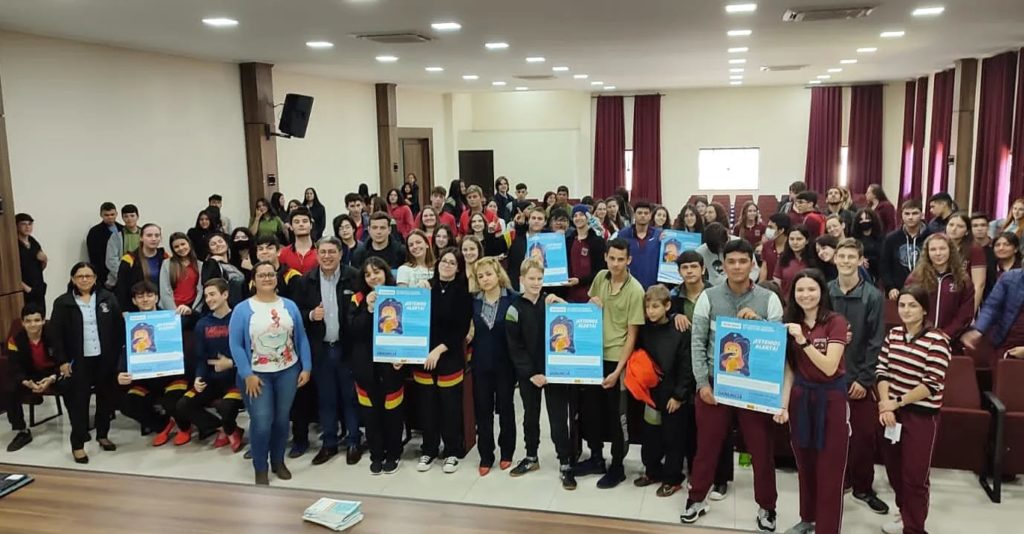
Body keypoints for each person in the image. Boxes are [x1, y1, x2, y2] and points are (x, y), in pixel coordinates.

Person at [681, 239, 783, 532]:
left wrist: (760, 323)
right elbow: (697, 343)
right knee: (707, 446)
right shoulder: (708, 297)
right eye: (731, 261)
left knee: (761, 450)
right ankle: (697, 498)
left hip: (755, 386)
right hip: (716, 385)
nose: (737, 267)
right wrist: (702, 384)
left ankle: (767, 507)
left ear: (752, 264)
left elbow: (777, 347)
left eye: (743, 261)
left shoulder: (769, 299)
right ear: (723, 265)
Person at [778, 269, 851, 534]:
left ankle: (828, 528)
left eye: (811, 289)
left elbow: (830, 366)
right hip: (801, 398)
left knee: (830, 469)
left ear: (822, 292)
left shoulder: (835, 321)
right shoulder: (790, 322)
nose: (805, 295)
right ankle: (807, 518)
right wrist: (783, 405)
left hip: (831, 399)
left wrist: (803, 340)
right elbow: (790, 369)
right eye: (800, 290)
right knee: (805, 464)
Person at [229, 261, 313, 485]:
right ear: (253, 280)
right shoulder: (242, 309)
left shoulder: (290, 306)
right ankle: (260, 467)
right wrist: (247, 374)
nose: (267, 278)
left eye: (270, 274)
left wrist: (306, 366)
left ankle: (278, 461)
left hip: (288, 371)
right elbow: (236, 345)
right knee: (262, 421)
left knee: (282, 419)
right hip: (257, 375)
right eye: (261, 275)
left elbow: (301, 338)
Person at [876, 285, 952, 534]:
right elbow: (882, 371)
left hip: (921, 416)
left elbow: (931, 384)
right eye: (902, 305)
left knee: (915, 476)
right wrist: (886, 406)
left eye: (913, 305)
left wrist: (896, 402)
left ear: (924, 309)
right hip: (892, 414)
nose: (906, 310)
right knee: (895, 471)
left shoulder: (938, 340)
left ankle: (915, 528)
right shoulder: (894, 334)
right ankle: (904, 513)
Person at [572, 239, 646, 489]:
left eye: (620, 259)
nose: (615, 264)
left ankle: (617, 466)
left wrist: (618, 371)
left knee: (618, 417)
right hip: (593, 356)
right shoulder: (600, 278)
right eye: (612, 258)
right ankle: (596, 457)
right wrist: (591, 305)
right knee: (591, 411)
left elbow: (632, 335)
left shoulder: (636, 290)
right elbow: (589, 314)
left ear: (629, 260)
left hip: (617, 359)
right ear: (605, 257)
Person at [829, 238, 890, 515]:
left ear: (860, 260)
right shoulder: (825, 291)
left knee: (864, 437)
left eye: (851, 257)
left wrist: (864, 380)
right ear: (835, 259)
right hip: (828, 378)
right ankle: (838, 481)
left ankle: (863, 487)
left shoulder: (873, 296)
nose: (845, 261)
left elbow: (876, 341)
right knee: (832, 436)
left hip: (859, 380)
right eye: (841, 256)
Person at [505, 257, 575, 488]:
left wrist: (562, 303)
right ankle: (531, 456)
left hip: (554, 372)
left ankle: (565, 462)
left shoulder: (551, 303)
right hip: (529, 375)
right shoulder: (514, 309)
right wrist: (531, 373)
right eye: (531, 279)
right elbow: (515, 347)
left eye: (540, 278)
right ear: (521, 279)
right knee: (530, 416)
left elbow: (570, 325)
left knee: (558, 419)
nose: (536, 283)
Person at [49, 262, 123, 463]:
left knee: (105, 399)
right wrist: (62, 361)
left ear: (95, 278)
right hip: (78, 361)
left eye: (88, 276)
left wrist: (118, 357)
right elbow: (56, 336)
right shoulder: (63, 303)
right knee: (79, 403)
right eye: (80, 276)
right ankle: (78, 444)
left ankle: (102, 434)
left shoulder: (108, 298)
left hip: (105, 359)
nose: (84, 279)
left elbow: (118, 328)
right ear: (73, 279)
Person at [299, 237, 362, 466]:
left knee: (350, 398)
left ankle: (354, 441)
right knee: (326, 399)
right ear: (316, 254)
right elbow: (296, 312)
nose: (327, 256)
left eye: (332, 252)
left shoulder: (354, 276)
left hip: (347, 349)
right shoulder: (306, 280)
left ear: (340, 254)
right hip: (321, 349)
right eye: (323, 252)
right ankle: (329, 443)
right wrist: (310, 315)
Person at [414, 248, 473, 474]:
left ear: (458, 268)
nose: (447, 265)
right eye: (444, 261)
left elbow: (460, 329)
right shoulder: (425, 287)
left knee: (450, 407)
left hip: (449, 357)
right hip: (423, 356)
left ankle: (451, 451)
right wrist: (417, 291)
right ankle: (429, 449)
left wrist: (439, 350)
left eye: (452, 263)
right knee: (427, 407)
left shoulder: (463, 292)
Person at [632, 285, 693, 497]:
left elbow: (686, 366)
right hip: (651, 394)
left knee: (673, 438)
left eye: (655, 306)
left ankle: (672, 479)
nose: (650, 311)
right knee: (651, 435)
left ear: (667, 306)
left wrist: (679, 395)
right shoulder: (645, 329)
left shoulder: (680, 330)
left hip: (673, 396)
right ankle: (652, 471)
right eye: (647, 307)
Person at [116, 281, 194, 446]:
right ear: (134, 300)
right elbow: (125, 349)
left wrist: (190, 312)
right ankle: (163, 425)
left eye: (149, 295)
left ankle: (184, 428)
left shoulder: (171, 318)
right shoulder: (128, 324)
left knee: (172, 401)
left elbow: (196, 323)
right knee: (127, 403)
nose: (145, 299)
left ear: (157, 298)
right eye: (140, 296)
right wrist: (120, 372)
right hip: (145, 379)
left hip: (173, 377)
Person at [347, 258, 406, 474]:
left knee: (393, 413)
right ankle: (376, 454)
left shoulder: (400, 295)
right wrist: (369, 309)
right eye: (368, 274)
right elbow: (353, 330)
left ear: (386, 273)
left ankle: (394, 453)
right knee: (370, 414)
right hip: (365, 366)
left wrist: (404, 356)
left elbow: (408, 328)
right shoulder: (357, 299)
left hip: (392, 365)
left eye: (377, 272)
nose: (373, 277)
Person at [176, 278, 244, 452]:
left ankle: (231, 428)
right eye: (206, 296)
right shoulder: (202, 324)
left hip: (236, 380)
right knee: (183, 405)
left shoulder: (240, 319)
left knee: (225, 407)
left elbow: (251, 352)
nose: (209, 299)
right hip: (211, 380)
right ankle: (224, 428)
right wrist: (199, 377)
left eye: (212, 294)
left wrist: (232, 363)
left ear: (225, 294)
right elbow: (201, 358)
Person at [468, 257, 519, 476]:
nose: (485, 279)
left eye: (489, 274)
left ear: (498, 274)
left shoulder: (514, 299)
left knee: (506, 408)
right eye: (480, 276)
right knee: (483, 410)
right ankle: (486, 455)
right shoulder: (473, 301)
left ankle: (507, 452)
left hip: (506, 365)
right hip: (481, 364)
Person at [5, 303, 70, 452]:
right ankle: (22, 431)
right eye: (28, 321)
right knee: (10, 389)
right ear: (23, 323)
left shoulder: (54, 335)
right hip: (30, 374)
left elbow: (63, 360)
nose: (32, 324)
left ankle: (78, 426)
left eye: (36, 320)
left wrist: (52, 378)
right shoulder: (15, 340)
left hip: (53, 372)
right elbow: (14, 365)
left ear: (43, 321)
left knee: (70, 384)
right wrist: (25, 381)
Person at [905, 234, 975, 340]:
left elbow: (965, 313)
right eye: (933, 249)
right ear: (927, 253)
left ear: (950, 251)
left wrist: (947, 334)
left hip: (951, 339)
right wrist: (920, 332)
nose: (938, 253)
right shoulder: (915, 278)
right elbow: (907, 307)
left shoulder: (963, 279)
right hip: (920, 337)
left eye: (942, 249)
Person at [881, 199, 931, 299]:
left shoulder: (931, 236)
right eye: (907, 214)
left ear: (922, 215)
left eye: (915, 213)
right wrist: (890, 287)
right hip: (897, 291)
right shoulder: (891, 238)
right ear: (902, 215)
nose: (910, 217)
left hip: (925, 290)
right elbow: (884, 266)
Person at [114, 223, 168, 312]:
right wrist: (123, 310)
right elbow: (121, 288)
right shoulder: (129, 259)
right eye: (149, 235)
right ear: (141, 238)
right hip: (135, 308)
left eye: (157, 235)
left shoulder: (165, 257)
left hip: (161, 307)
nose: (154, 239)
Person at [565, 204, 607, 303]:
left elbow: (601, 269)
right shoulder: (569, 240)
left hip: (592, 293)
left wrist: (580, 281)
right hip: (571, 293)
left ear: (588, 217)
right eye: (575, 216)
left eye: (581, 215)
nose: (578, 218)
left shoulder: (597, 241)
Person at [945, 212, 987, 310]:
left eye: (960, 226)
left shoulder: (975, 249)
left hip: (965, 299)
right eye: (951, 225)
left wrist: (971, 311)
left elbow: (979, 285)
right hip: (944, 298)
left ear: (967, 231)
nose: (954, 229)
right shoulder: (940, 246)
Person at [617, 201, 662, 289]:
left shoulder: (658, 235)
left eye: (646, 213)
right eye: (640, 213)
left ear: (650, 216)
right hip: (628, 286)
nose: (643, 215)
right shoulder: (623, 235)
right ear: (634, 215)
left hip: (652, 287)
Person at [158, 232, 203, 316]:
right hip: (172, 309)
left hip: (192, 309)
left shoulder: (199, 265)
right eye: (176, 247)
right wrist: (175, 313)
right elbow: (165, 291)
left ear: (189, 244)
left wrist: (193, 311)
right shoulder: (167, 264)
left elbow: (201, 290)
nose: (181, 248)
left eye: (183, 244)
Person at [507, 207, 549, 291]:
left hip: (542, 285)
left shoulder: (550, 239)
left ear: (545, 222)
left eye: (540, 219)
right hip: (519, 285)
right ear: (528, 220)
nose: (536, 221)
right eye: (533, 218)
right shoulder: (516, 236)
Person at [201, 232, 247, 306]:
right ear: (209, 249)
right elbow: (207, 282)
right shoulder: (210, 264)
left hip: (242, 304)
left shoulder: (234, 263)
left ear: (227, 244)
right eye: (213, 244)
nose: (218, 245)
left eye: (220, 241)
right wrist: (213, 261)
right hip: (225, 306)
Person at [773, 225, 817, 299]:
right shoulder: (783, 259)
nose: (795, 242)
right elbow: (777, 283)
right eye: (792, 239)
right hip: (787, 301)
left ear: (807, 241)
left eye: (799, 239)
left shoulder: (815, 259)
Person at [15, 213, 48, 313]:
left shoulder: (33, 242)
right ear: (16, 226)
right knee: (28, 316)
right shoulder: (14, 244)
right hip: (24, 288)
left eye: (29, 224)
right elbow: (11, 271)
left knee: (41, 314)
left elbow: (40, 267)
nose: (27, 227)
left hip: (38, 287)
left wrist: (44, 260)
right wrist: (25, 287)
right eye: (23, 224)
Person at [104, 203, 141, 289]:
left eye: (132, 216)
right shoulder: (116, 236)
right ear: (122, 218)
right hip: (121, 278)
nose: (129, 219)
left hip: (142, 277)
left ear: (137, 216)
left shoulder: (145, 234)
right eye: (126, 216)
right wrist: (123, 275)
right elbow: (111, 260)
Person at [86, 202, 123, 287]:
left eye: (112, 214)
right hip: (104, 276)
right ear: (101, 215)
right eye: (106, 215)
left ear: (116, 214)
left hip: (122, 273)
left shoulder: (122, 229)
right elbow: (95, 257)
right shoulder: (95, 232)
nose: (110, 217)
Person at [278, 207, 319, 275]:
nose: (301, 224)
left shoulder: (320, 251)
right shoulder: (283, 254)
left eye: (305, 221)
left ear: (311, 225)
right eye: (296, 222)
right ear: (291, 227)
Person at [851, 208, 885, 283]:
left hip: (880, 274)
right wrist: (860, 259)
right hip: (862, 275)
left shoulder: (882, 238)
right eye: (861, 219)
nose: (864, 222)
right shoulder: (854, 240)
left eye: (867, 219)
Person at [759, 213, 792, 284]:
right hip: (770, 286)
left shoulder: (792, 247)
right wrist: (761, 285)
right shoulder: (767, 245)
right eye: (768, 227)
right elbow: (764, 267)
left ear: (781, 230)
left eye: (771, 227)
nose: (768, 230)